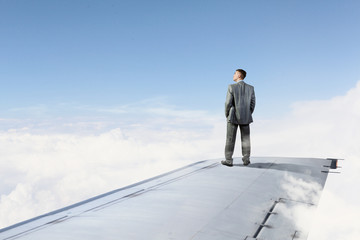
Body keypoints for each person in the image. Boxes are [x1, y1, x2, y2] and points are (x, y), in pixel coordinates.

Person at [222, 69, 256, 167]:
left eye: (235, 73)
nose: (233, 75)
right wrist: (248, 113)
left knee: (230, 139)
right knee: (246, 139)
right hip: (246, 116)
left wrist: (227, 114)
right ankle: (246, 159)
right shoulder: (251, 88)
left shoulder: (231, 87)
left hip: (233, 116)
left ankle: (228, 160)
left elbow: (228, 103)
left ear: (239, 76)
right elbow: (253, 103)